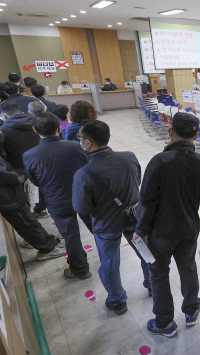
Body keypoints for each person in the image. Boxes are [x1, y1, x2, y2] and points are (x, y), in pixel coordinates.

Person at [134, 112, 200, 337]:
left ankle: (164, 322)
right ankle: (191, 311)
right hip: (189, 228)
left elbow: (147, 201)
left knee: (158, 274)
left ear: (170, 132)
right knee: (187, 268)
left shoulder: (159, 162)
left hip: (160, 232)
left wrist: (140, 230)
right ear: (197, 135)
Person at [72, 121, 150, 315]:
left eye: (80, 138)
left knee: (109, 262)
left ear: (88, 143)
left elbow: (81, 207)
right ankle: (153, 286)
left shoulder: (84, 173)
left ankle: (117, 301)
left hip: (106, 224)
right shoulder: (129, 157)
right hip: (134, 218)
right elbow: (137, 182)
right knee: (146, 254)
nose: (79, 141)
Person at [23, 113, 93, 280]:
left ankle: (80, 269)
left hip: (56, 200)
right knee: (98, 228)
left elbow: (34, 180)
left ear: (34, 130)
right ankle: (109, 256)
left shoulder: (29, 155)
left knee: (70, 236)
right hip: (83, 195)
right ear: (58, 128)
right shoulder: (76, 146)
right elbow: (90, 168)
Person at [0, 128, 66, 260]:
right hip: (7, 197)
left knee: (29, 220)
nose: (1, 131)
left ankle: (49, 241)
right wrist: (22, 175)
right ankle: (46, 249)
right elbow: (5, 175)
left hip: (11, 193)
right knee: (26, 223)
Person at [0, 102, 40, 172]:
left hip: (17, 173)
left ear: (4, 116)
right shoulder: (39, 124)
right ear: (21, 112)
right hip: (41, 168)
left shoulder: (2, 131)